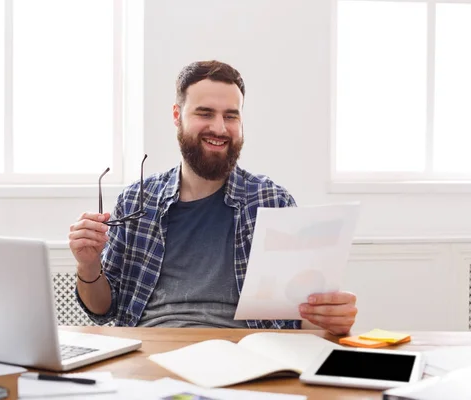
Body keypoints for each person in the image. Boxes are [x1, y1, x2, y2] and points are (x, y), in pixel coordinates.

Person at [69, 60, 357, 334]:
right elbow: (101, 309)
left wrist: (329, 320)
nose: (219, 128)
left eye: (231, 116)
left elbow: (299, 324)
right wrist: (88, 264)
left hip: (247, 354)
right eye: (205, 113)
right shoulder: (136, 201)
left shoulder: (273, 201)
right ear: (176, 116)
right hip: (152, 349)